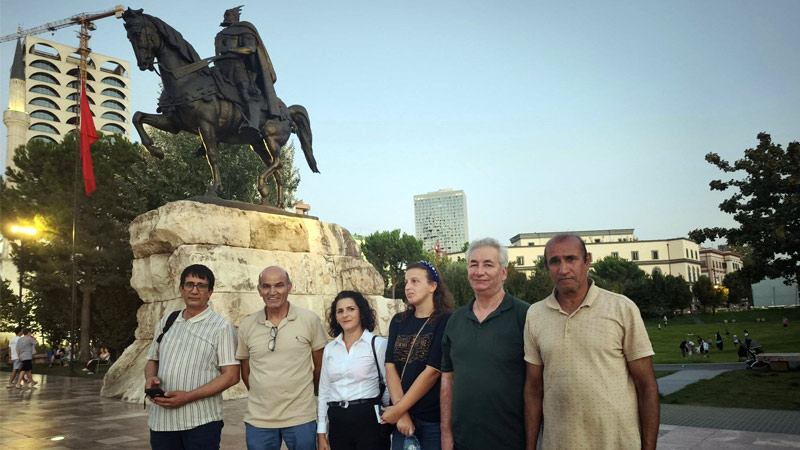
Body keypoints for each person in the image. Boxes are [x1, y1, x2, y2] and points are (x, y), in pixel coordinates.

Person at [525, 233, 659, 450]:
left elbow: (646, 386)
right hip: (559, 443)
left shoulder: (621, 309)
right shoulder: (535, 315)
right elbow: (533, 389)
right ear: (547, 267)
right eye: (555, 261)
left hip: (618, 442)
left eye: (571, 259)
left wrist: (648, 447)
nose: (563, 268)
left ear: (587, 261)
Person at [441, 238, 530, 450]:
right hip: (463, 441)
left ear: (504, 272)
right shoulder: (455, 321)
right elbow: (447, 381)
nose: (479, 271)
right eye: (473, 264)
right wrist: (446, 435)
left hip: (512, 441)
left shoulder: (526, 316)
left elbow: (537, 385)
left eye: (488, 264)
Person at [145, 264, 240, 450]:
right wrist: (150, 379)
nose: (194, 290)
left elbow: (231, 375)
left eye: (201, 286)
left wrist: (188, 397)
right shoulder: (168, 321)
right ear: (181, 289)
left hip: (201, 422)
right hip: (161, 422)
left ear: (210, 292)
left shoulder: (221, 327)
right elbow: (152, 360)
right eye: (189, 284)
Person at [237, 266, 327, 450]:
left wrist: (306, 394)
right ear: (259, 290)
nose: (272, 292)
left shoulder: (309, 320)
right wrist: (263, 393)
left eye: (279, 285)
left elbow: (321, 367)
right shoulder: (247, 325)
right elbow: (245, 371)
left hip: (301, 417)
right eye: (266, 286)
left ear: (289, 287)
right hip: (259, 420)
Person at [382, 261, 453, 450]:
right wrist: (401, 413)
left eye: (415, 281)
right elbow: (390, 367)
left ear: (432, 286)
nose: (408, 287)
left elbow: (432, 372)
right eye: (406, 282)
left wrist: (398, 409)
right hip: (401, 419)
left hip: (431, 419)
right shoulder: (398, 321)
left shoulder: (445, 320)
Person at [317, 291, 391, 450]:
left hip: (368, 419)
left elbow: (388, 384)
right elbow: (324, 390)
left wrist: (384, 412)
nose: (345, 315)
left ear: (361, 312)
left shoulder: (377, 344)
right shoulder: (330, 349)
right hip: (337, 420)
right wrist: (321, 432)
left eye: (351, 309)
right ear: (335, 316)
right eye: (340, 311)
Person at [214, 5, 283, 137]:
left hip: (238, 69)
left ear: (236, 17)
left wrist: (231, 50)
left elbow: (250, 49)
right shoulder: (219, 35)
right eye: (226, 15)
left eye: (229, 15)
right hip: (220, 68)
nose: (226, 17)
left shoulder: (244, 30)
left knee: (247, 95)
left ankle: (253, 125)